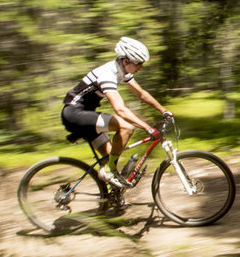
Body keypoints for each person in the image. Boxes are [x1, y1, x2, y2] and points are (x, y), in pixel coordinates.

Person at [61, 37, 172, 188]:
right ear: (126, 61)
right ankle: (109, 172)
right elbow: (120, 109)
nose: (141, 67)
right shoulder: (108, 74)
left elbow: (141, 94)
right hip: (74, 114)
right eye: (139, 63)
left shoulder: (123, 71)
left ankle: (111, 199)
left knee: (110, 159)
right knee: (127, 127)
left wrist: (164, 110)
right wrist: (147, 128)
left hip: (86, 116)